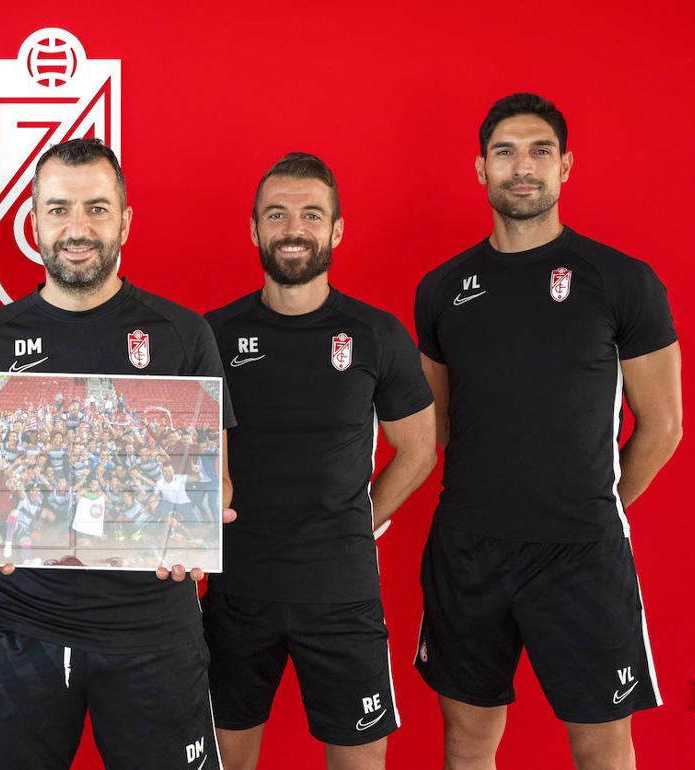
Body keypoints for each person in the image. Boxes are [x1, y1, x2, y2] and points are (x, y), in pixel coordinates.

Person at [0, 138, 235, 770]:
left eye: (97, 208)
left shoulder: (183, 335)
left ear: (125, 220)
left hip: (153, 635)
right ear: (34, 222)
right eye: (59, 208)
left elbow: (218, 484)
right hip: (17, 631)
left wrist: (195, 530)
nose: (78, 228)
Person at [413, 93, 682, 770]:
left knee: (601, 745)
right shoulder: (443, 288)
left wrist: (601, 509)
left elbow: (665, 425)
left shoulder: (622, 281)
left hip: (582, 556)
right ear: (481, 169)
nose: (522, 167)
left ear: (566, 165)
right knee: (469, 740)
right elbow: (439, 422)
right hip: (468, 549)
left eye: (538, 151)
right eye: (505, 152)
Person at [202, 152, 436, 770]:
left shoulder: (377, 334)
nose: (293, 228)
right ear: (254, 229)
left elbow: (418, 450)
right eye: (276, 214)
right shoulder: (210, 336)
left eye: (311, 214)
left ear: (336, 230)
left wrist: (359, 518)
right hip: (234, 591)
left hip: (341, 595)